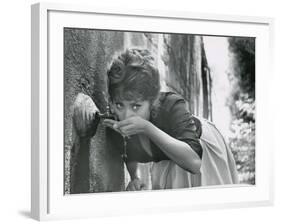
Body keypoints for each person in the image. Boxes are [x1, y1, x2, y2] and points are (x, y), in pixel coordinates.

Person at [72, 48, 238, 191]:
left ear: (152, 102)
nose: (126, 115)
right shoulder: (115, 119)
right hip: (167, 161)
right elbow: (128, 151)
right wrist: (134, 177)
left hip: (198, 152)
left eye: (136, 106)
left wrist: (147, 128)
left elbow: (194, 163)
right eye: (120, 105)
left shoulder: (172, 105)